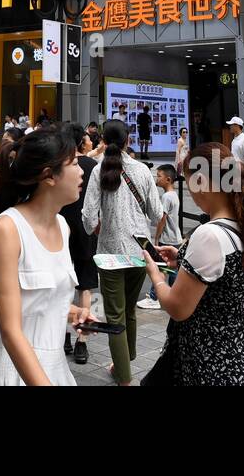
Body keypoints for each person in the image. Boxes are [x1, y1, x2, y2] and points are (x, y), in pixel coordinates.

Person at [0, 126, 89, 385]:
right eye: (75, 163)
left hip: (53, 368)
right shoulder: (8, 229)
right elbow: (10, 329)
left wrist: (72, 311)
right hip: (9, 371)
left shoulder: (62, 226)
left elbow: (36, 300)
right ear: (49, 176)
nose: (82, 172)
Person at [140, 143, 244, 386]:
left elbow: (178, 308)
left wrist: (155, 275)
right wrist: (183, 259)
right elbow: (228, 279)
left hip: (210, 365)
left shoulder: (208, 235)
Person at [81, 119, 162, 386]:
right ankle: (125, 360)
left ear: (103, 140)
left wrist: (98, 230)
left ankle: (124, 377)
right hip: (139, 251)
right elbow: (157, 213)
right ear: (128, 140)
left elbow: (89, 216)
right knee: (128, 311)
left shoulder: (98, 171)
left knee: (114, 316)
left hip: (110, 253)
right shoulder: (142, 170)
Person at [60, 123, 99, 365]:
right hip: (85, 231)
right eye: (87, 137)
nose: (90, 140)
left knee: (63, 283)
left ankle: (63, 335)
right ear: (80, 142)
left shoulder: (60, 164)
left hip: (61, 230)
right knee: (85, 286)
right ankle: (81, 342)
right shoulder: (92, 166)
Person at [138, 164, 182, 310]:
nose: (157, 179)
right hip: (175, 237)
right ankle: (175, 294)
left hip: (167, 238)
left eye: (159, 176)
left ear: (168, 179)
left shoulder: (166, 197)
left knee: (160, 267)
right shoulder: (174, 195)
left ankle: (154, 297)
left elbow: (162, 219)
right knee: (171, 269)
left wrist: (156, 237)